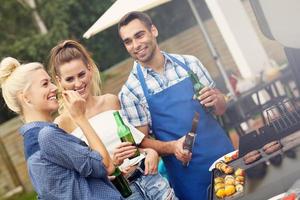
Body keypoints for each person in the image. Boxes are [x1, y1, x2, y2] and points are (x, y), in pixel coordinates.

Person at [118, 11, 235, 200]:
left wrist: (217, 99)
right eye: (128, 41)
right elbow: (141, 142)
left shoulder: (190, 63)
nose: (135, 45)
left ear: (153, 30)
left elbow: (221, 108)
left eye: (139, 35)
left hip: (224, 157)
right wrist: (172, 147)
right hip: (188, 177)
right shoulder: (130, 92)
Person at [48, 39, 177, 200]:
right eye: (70, 79)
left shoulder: (111, 101)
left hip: (152, 182)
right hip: (121, 193)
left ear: (89, 69)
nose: (78, 83)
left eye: (81, 74)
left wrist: (150, 152)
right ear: (59, 81)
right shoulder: (61, 125)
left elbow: (135, 145)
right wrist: (111, 165)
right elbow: (79, 180)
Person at [0, 57, 123, 200]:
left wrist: (98, 182)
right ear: (26, 98)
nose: (54, 88)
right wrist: (80, 117)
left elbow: (65, 186)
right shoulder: (47, 136)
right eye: (45, 84)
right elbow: (106, 165)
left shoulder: (32, 141)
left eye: (51, 82)